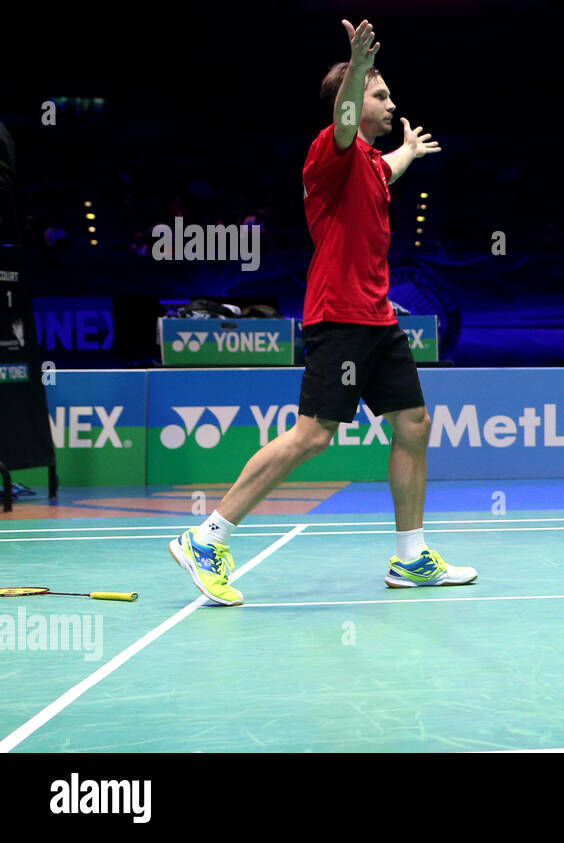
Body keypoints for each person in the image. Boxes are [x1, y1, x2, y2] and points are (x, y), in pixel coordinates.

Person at [169, 19, 476, 606]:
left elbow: (386, 169)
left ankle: (410, 558)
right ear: (354, 103)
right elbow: (343, 125)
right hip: (339, 317)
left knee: (413, 424)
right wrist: (358, 68)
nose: (391, 104)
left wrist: (407, 151)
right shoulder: (329, 153)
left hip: (379, 320)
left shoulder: (367, 163)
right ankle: (206, 538)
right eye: (380, 96)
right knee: (313, 435)